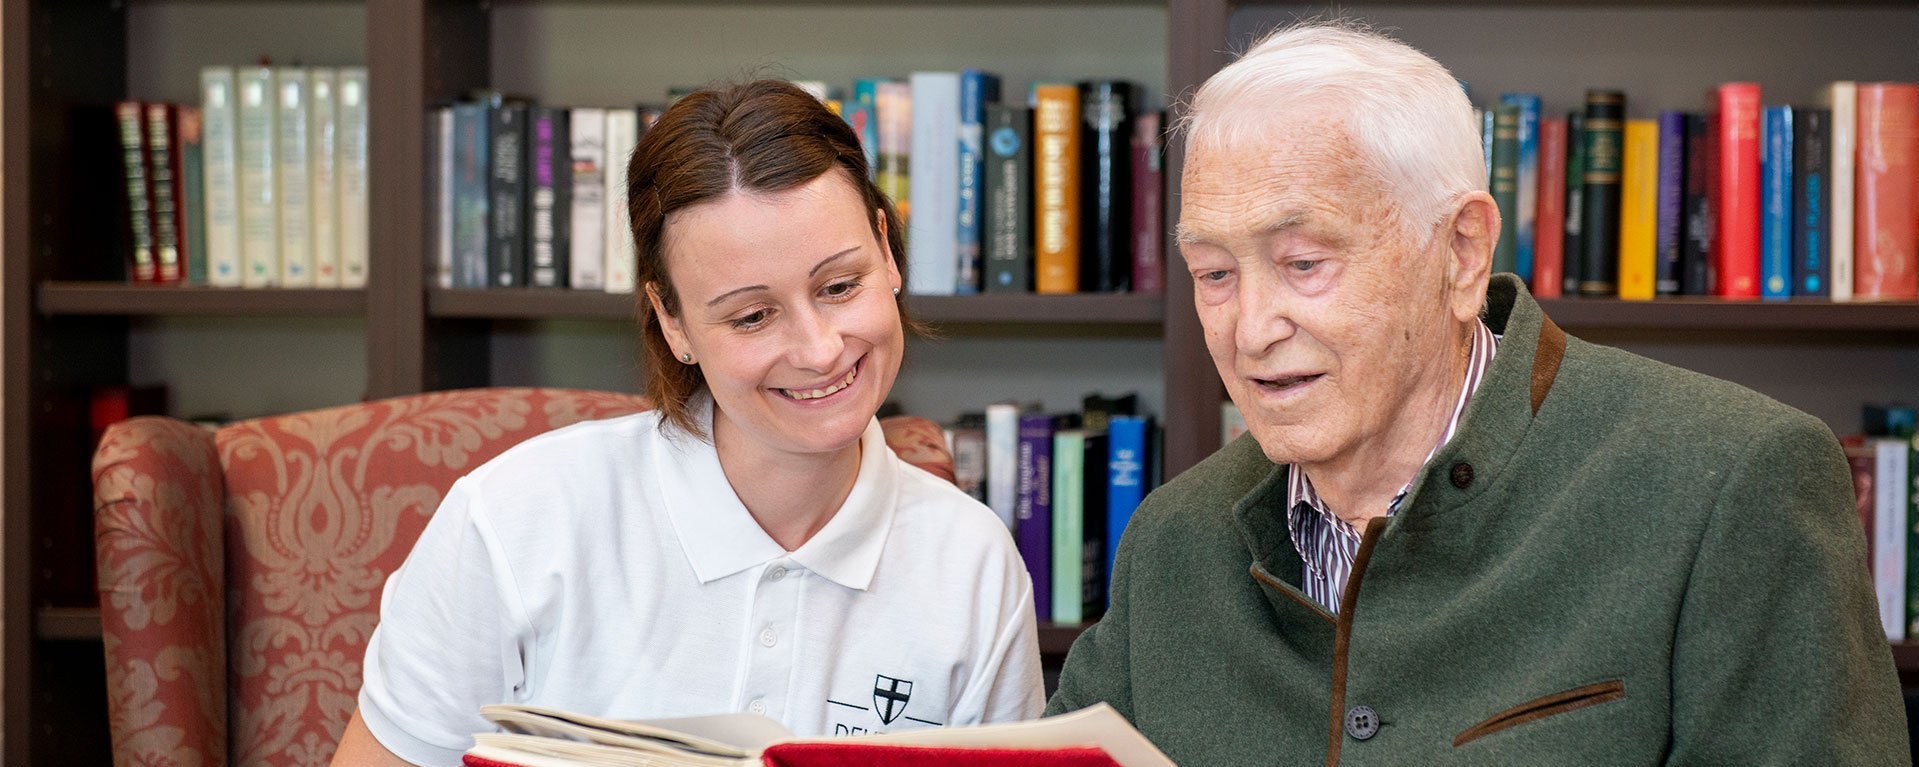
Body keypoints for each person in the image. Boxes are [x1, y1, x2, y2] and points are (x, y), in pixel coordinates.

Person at [1046, 20, 1908, 765]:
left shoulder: (1731, 483)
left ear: (1460, 252)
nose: (1249, 328)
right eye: (1213, 273)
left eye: (1303, 263)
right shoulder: (1171, 539)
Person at [331, 80, 1043, 767]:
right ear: (671, 321)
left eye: (838, 285)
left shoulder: (974, 565)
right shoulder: (512, 521)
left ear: (886, 253)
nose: (819, 348)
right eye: (752, 315)